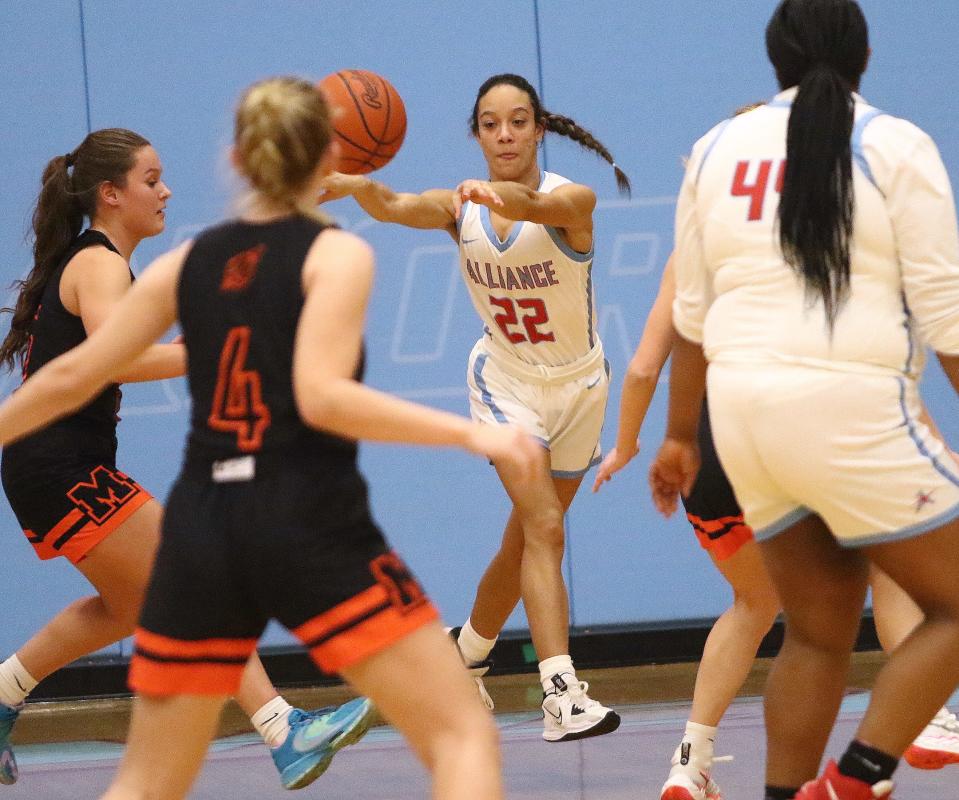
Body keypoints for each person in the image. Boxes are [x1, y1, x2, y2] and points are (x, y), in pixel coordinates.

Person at [0, 76, 538, 800]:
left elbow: (68, 380)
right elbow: (323, 396)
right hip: (305, 521)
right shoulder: (334, 255)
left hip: (206, 525)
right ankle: (284, 727)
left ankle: (277, 727)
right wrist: (474, 437)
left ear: (236, 159)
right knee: (460, 735)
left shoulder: (188, 264)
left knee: (149, 778)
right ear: (328, 160)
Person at [0, 127, 373, 791]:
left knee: (123, 608)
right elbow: (125, 358)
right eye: (151, 179)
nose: (166, 190)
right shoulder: (98, 264)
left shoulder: (101, 264)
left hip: (52, 464)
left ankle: (2, 693)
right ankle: (282, 729)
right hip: (57, 465)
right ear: (110, 195)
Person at [649, 1, 959, 797]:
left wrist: (679, 438)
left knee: (817, 633)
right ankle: (852, 781)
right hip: (845, 403)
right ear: (863, 56)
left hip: (740, 417)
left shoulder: (715, 150)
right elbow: (947, 315)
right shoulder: (894, 142)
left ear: (774, 59)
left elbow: (691, 315)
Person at [318, 72, 629, 742]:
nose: (505, 134)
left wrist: (501, 196)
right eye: (490, 123)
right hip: (504, 385)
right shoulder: (458, 207)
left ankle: (465, 659)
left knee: (523, 540)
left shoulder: (572, 199)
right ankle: (559, 692)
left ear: (539, 129)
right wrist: (353, 186)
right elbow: (394, 204)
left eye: (518, 121)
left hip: (581, 388)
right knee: (543, 528)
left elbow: (533, 206)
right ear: (476, 133)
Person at [596, 254, 959, 799]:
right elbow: (878, 374)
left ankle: (690, 763)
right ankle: (923, 718)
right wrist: (940, 454)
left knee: (753, 604)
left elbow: (645, 367)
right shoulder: (823, 231)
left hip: (711, 446)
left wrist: (626, 445)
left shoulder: (696, 244)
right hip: (806, 430)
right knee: (889, 575)